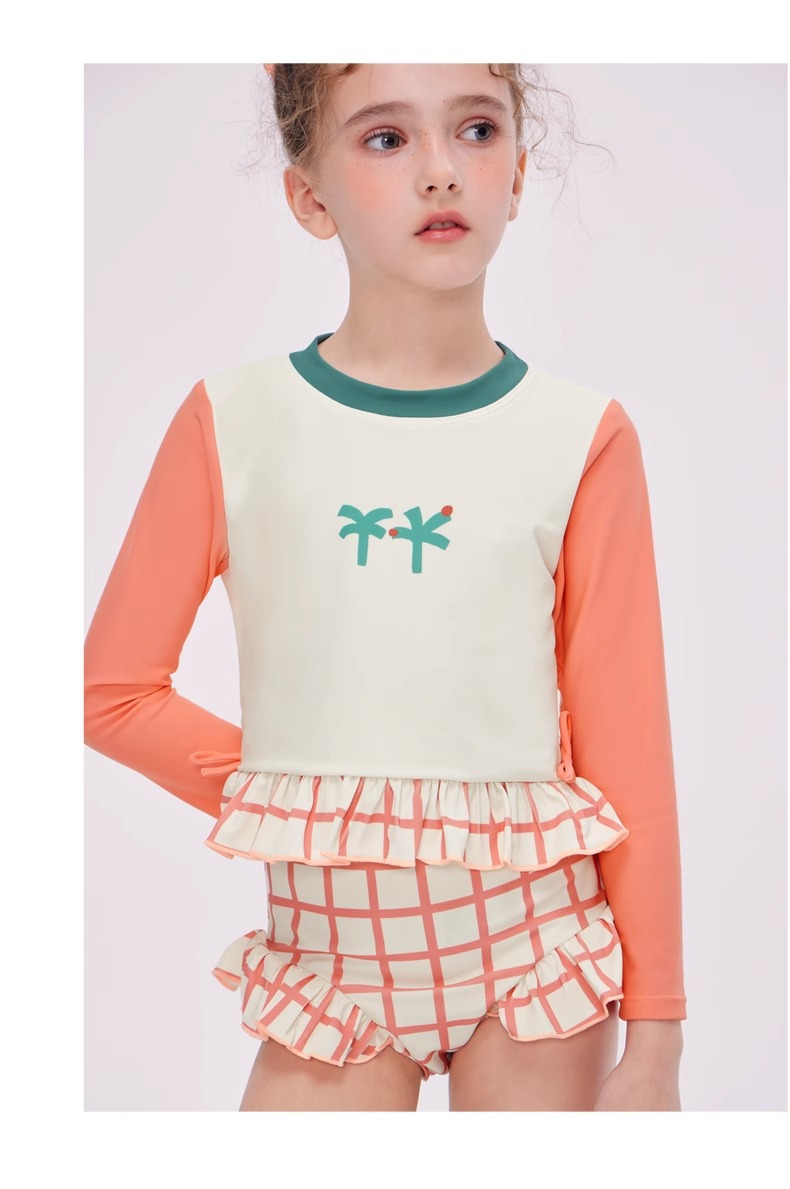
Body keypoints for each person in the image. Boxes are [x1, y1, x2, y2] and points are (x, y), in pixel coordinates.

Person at [84, 62, 686, 1112]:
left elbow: (626, 744)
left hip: (538, 948)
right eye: (385, 138)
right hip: (329, 964)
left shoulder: (580, 437)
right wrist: (290, 791)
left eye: (477, 129)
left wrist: (658, 1037)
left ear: (517, 173)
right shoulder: (232, 422)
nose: (441, 171)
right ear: (308, 195)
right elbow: (110, 692)